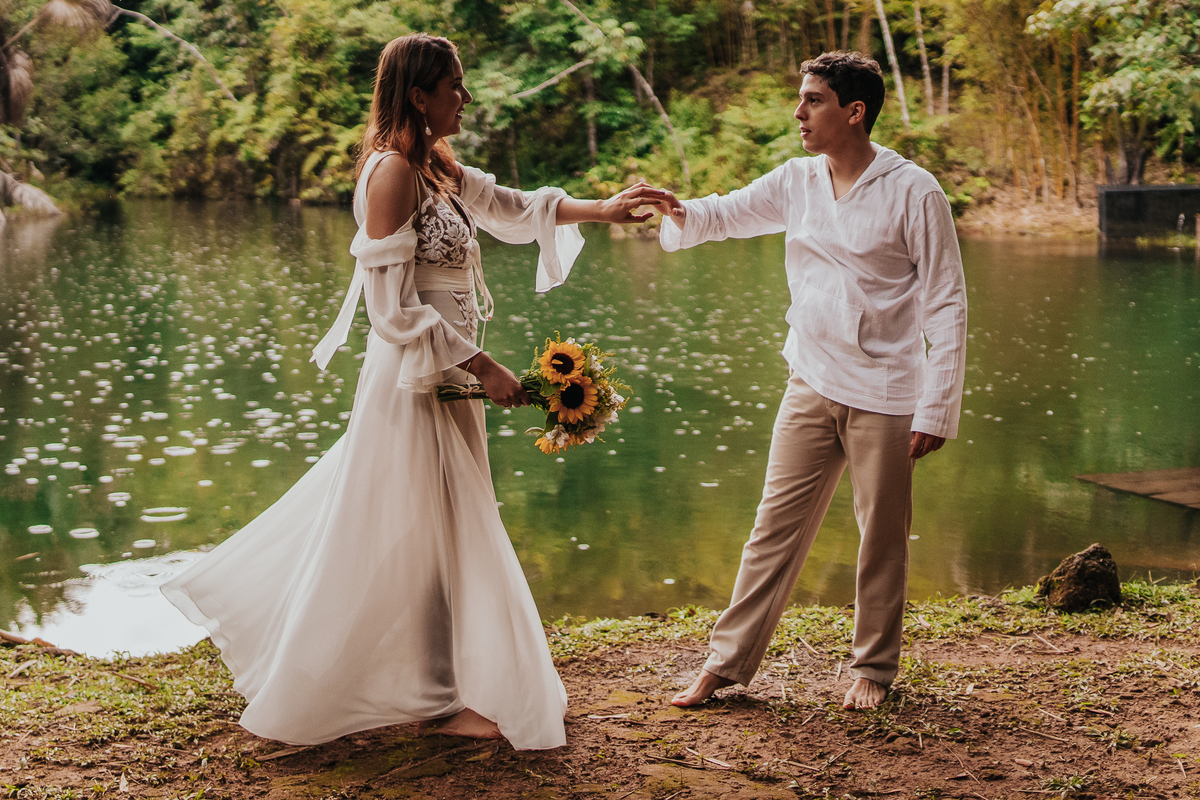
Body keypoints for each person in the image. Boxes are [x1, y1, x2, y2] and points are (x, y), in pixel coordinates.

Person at [162, 32, 655, 750]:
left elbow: (514, 206)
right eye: (454, 85)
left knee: (439, 532)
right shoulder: (390, 174)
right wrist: (479, 362)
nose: (465, 97)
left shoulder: (440, 168)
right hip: (415, 380)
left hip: (449, 380)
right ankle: (470, 695)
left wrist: (602, 211)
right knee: (440, 527)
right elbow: (390, 312)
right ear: (419, 95)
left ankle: (440, 687)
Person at [644, 51, 967, 711]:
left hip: (886, 392)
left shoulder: (915, 190)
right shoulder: (797, 180)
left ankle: (872, 669)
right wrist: (676, 210)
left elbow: (945, 302)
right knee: (774, 525)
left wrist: (936, 406)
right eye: (801, 99)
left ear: (854, 111)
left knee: (881, 535)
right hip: (812, 378)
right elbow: (727, 214)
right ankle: (725, 665)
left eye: (813, 100)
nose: (798, 113)